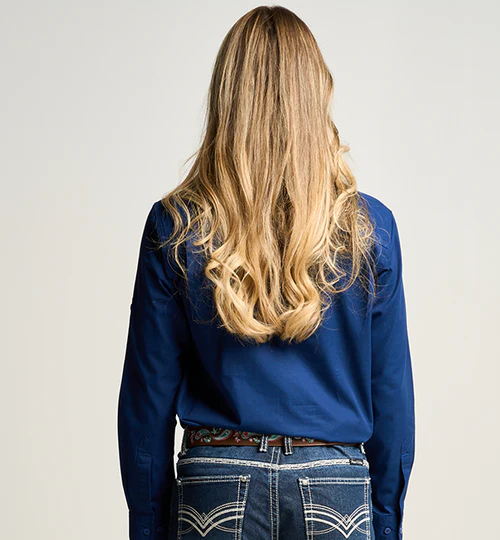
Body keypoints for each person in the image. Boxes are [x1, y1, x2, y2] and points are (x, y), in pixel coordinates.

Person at [117, 5, 415, 540]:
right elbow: (391, 398)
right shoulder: (370, 229)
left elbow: (147, 401)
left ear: (227, 99)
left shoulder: (177, 224)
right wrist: (385, 526)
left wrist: (148, 529)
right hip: (335, 490)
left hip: (215, 486)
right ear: (316, 96)